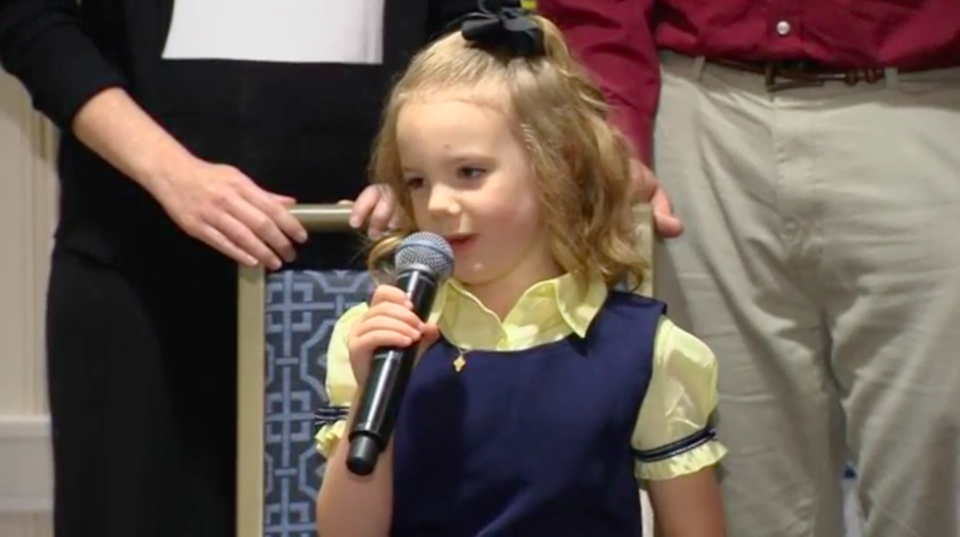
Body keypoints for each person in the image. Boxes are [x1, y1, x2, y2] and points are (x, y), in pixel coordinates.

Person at [0, 1, 477, 536]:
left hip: (366, 275)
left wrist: (415, 174)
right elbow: (32, 19)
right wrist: (169, 171)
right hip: (137, 269)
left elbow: (475, 29)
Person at [538, 1, 960, 536]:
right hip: (701, 110)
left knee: (935, 479)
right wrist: (612, 122)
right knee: (736, 487)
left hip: (927, 104)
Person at [312, 5, 726, 536]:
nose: (437, 203)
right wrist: (373, 397)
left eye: (470, 173)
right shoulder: (373, 339)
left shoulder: (647, 350)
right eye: (416, 181)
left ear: (559, 165)